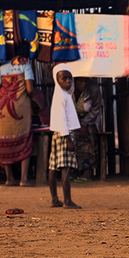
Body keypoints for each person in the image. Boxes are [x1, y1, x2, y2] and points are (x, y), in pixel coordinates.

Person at [0, 41, 35, 186]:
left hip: (3, 110)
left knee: (4, 141)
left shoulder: (3, 67)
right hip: (20, 108)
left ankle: (9, 178)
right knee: (25, 140)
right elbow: (30, 90)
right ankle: (23, 179)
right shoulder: (26, 66)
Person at [48, 64, 81, 209]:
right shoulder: (61, 96)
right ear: (57, 80)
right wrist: (68, 139)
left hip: (58, 134)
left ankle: (55, 199)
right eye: (64, 78)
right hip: (64, 134)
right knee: (65, 168)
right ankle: (67, 201)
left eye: (70, 78)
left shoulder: (62, 95)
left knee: (53, 167)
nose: (68, 81)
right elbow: (62, 119)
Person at [72, 77, 102, 182]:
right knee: (71, 139)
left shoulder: (94, 88)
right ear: (74, 80)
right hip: (72, 120)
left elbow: (97, 108)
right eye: (80, 80)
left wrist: (84, 123)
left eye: (86, 80)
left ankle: (87, 170)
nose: (83, 83)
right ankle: (74, 170)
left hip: (90, 118)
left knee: (87, 137)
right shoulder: (67, 89)